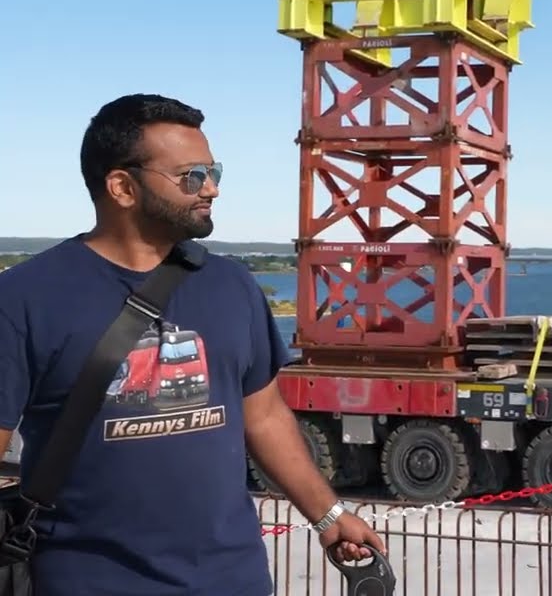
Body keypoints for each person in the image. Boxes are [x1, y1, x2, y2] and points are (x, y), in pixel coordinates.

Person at [0, 94, 386, 595]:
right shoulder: (25, 298)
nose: (213, 189)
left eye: (213, 170)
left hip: (235, 579)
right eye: (192, 176)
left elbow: (264, 417)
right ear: (122, 187)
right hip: (89, 580)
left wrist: (328, 515)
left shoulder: (231, 285)